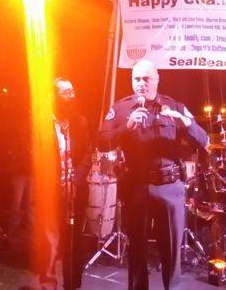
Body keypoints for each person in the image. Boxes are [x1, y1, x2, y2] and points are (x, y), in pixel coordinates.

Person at [98, 60, 208, 290]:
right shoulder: (120, 108)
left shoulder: (174, 107)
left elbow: (204, 141)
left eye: (146, 79)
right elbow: (101, 143)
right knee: (137, 247)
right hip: (136, 187)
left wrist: (186, 123)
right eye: (136, 79)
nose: (140, 84)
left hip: (170, 187)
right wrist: (126, 127)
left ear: (157, 79)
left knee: (171, 248)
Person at [28, 79, 92, 290]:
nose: (72, 96)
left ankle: (72, 285)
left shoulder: (80, 123)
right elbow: (34, 157)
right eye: (66, 92)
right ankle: (48, 284)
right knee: (50, 242)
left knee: (74, 242)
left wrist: (75, 180)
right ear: (53, 97)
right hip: (50, 192)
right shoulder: (41, 124)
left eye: (73, 91)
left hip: (75, 191)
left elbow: (86, 156)